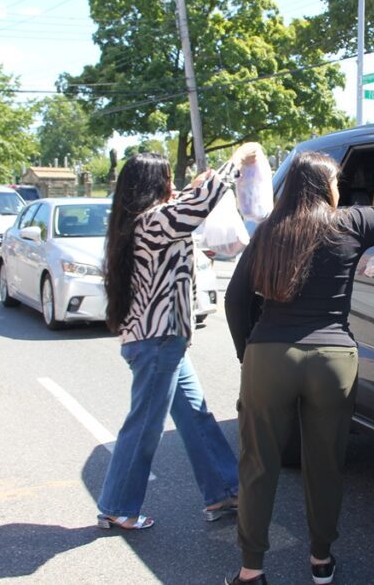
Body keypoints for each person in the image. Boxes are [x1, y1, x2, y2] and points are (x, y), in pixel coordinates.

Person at [224, 152, 374, 585]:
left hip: (269, 356)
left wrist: (249, 353)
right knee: (325, 465)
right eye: (336, 182)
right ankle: (321, 562)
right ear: (325, 187)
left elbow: (235, 300)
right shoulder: (351, 223)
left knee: (257, 465)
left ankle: (250, 571)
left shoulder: (267, 232)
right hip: (333, 361)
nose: (339, 189)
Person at [96, 143, 261, 531]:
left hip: (162, 340)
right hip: (158, 341)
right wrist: (237, 160)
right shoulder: (155, 220)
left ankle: (224, 491)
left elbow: (191, 205)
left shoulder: (137, 220)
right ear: (154, 185)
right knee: (145, 425)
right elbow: (200, 201)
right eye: (168, 177)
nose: (174, 183)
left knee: (196, 416)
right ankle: (118, 505)